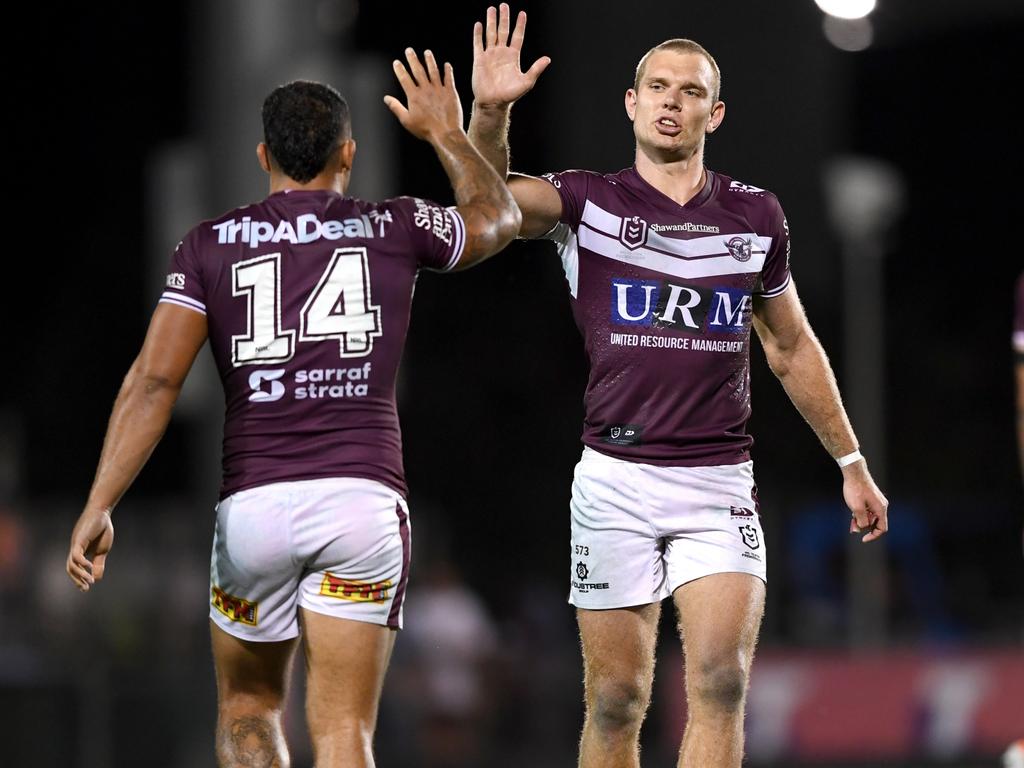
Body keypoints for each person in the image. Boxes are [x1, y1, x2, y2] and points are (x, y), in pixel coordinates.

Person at [65, 51, 520, 768]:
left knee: (249, 711)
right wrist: (445, 132)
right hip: (360, 505)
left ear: (261, 156)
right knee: (344, 731)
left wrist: (101, 501)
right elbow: (498, 218)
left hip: (257, 508)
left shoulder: (208, 246)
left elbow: (153, 383)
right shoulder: (392, 226)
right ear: (349, 153)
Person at [467, 5, 889, 767]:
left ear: (714, 112)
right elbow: (487, 205)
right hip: (615, 482)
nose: (670, 101)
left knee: (722, 682)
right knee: (618, 700)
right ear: (631, 104)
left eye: (688, 91)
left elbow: (791, 346)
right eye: (656, 87)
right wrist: (491, 112)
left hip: (717, 482)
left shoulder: (756, 215)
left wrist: (850, 461)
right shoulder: (586, 202)